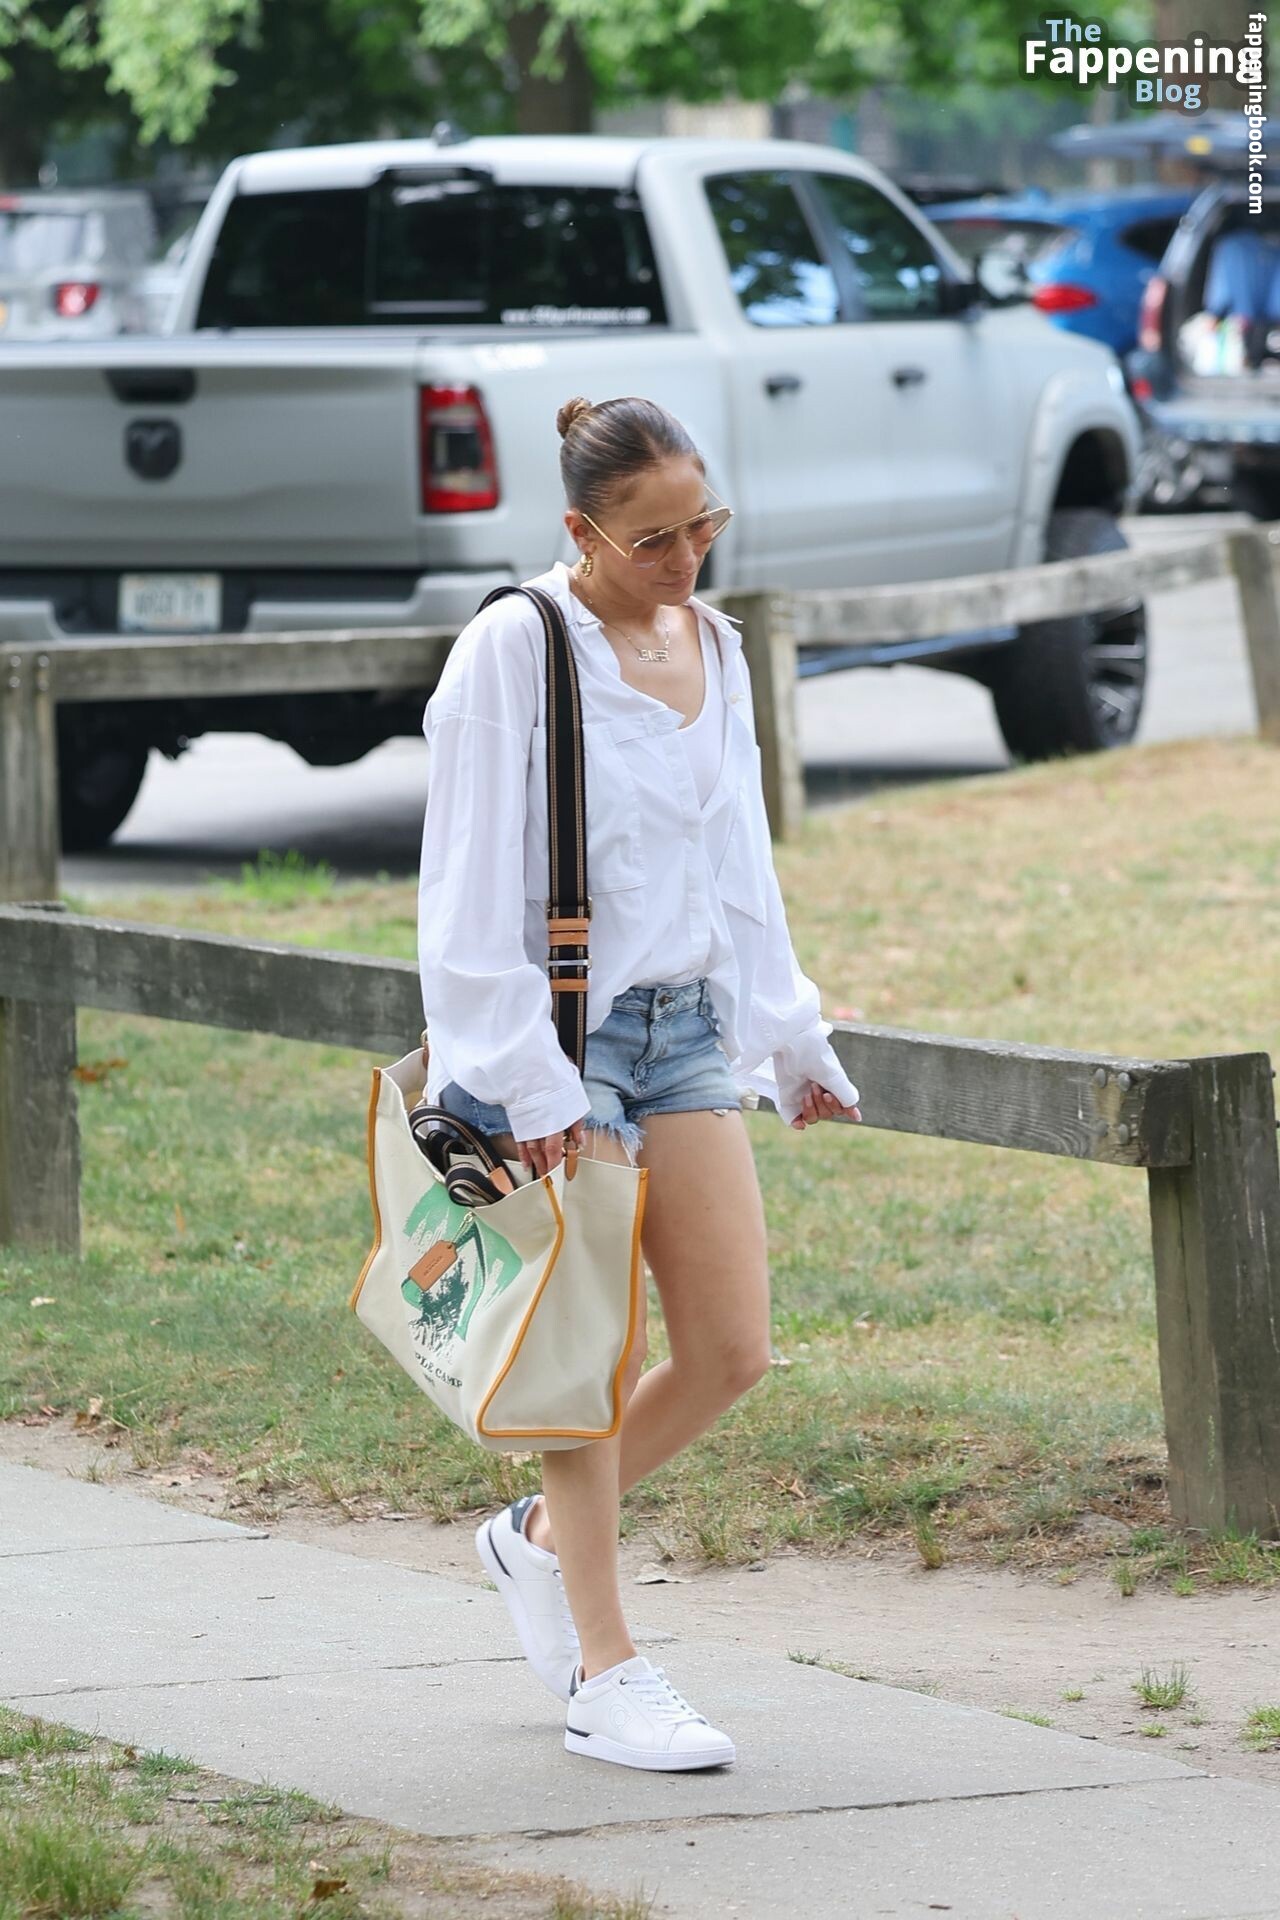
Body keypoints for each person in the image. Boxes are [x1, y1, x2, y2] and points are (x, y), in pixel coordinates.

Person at [417, 393, 862, 1773]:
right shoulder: (517, 646)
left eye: (701, 526)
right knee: (587, 1368)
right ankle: (603, 1672)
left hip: (683, 1030)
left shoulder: (711, 642)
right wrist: (524, 1078)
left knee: (731, 1349)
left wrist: (787, 1031)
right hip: (564, 1040)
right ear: (580, 530)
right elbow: (463, 889)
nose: (684, 560)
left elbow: (739, 859)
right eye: (652, 540)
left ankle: (536, 1541)